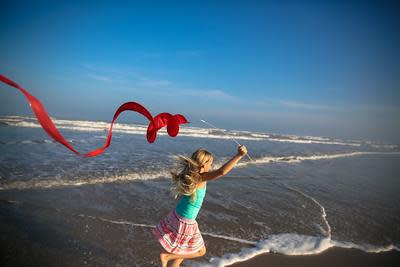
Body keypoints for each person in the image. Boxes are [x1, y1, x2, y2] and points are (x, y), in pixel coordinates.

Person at [152, 145, 248, 267]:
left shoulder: (191, 176)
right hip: (186, 221)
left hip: (178, 216)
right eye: (210, 163)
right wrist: (239, 156)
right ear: (203, 165)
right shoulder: (201, 177)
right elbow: (221, 172)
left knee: (182, 252)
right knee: (200, 251)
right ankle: (167, 256)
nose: (211, 166)